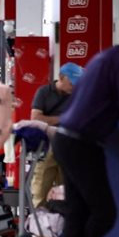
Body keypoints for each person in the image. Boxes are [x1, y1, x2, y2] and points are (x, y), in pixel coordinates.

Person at [52, 45, 119, 237]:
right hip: (81, 142)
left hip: (68, 138)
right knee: (104, 213)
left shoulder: (104, 56)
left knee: (78, 213)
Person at [29, 62, 82, 208]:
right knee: (40, 188)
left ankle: (65, 226)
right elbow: (35, 118)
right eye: (72, 82)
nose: (74, 86)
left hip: (69, 145)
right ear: (61, 77)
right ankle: (38, 227)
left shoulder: (77, 94)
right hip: (47, 145)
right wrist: (64, 119)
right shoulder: (44, 92)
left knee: (68, 190)